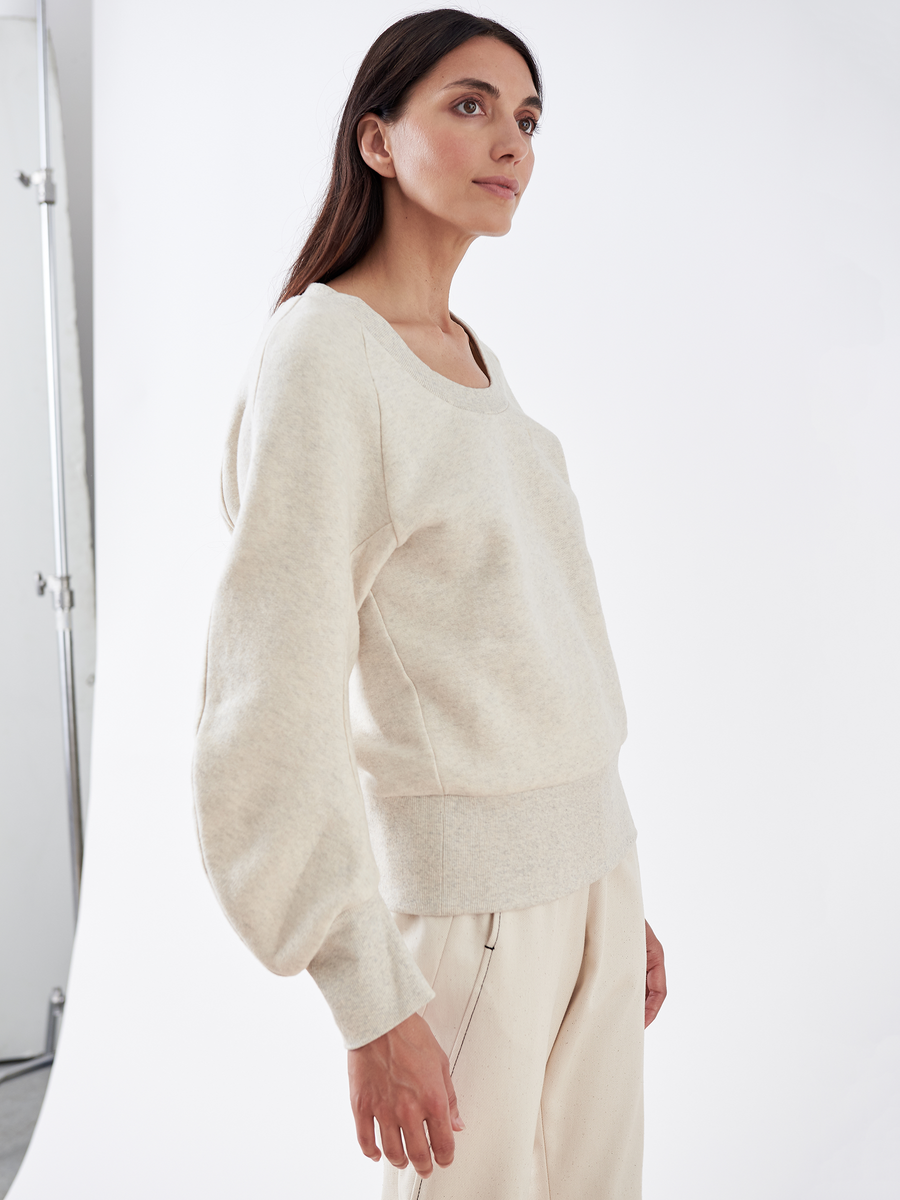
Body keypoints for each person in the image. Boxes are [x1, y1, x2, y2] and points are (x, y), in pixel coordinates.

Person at [191, 9, 666, 1198]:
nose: (510, 140)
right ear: (377, 142)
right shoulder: (325, 355)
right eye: (468, 104)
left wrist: (613, 887)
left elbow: (532, 649)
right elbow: (270, 697)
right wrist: (367, 996)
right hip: (473, 922)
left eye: (527, 118)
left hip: (590, 882)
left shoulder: (465, 352)